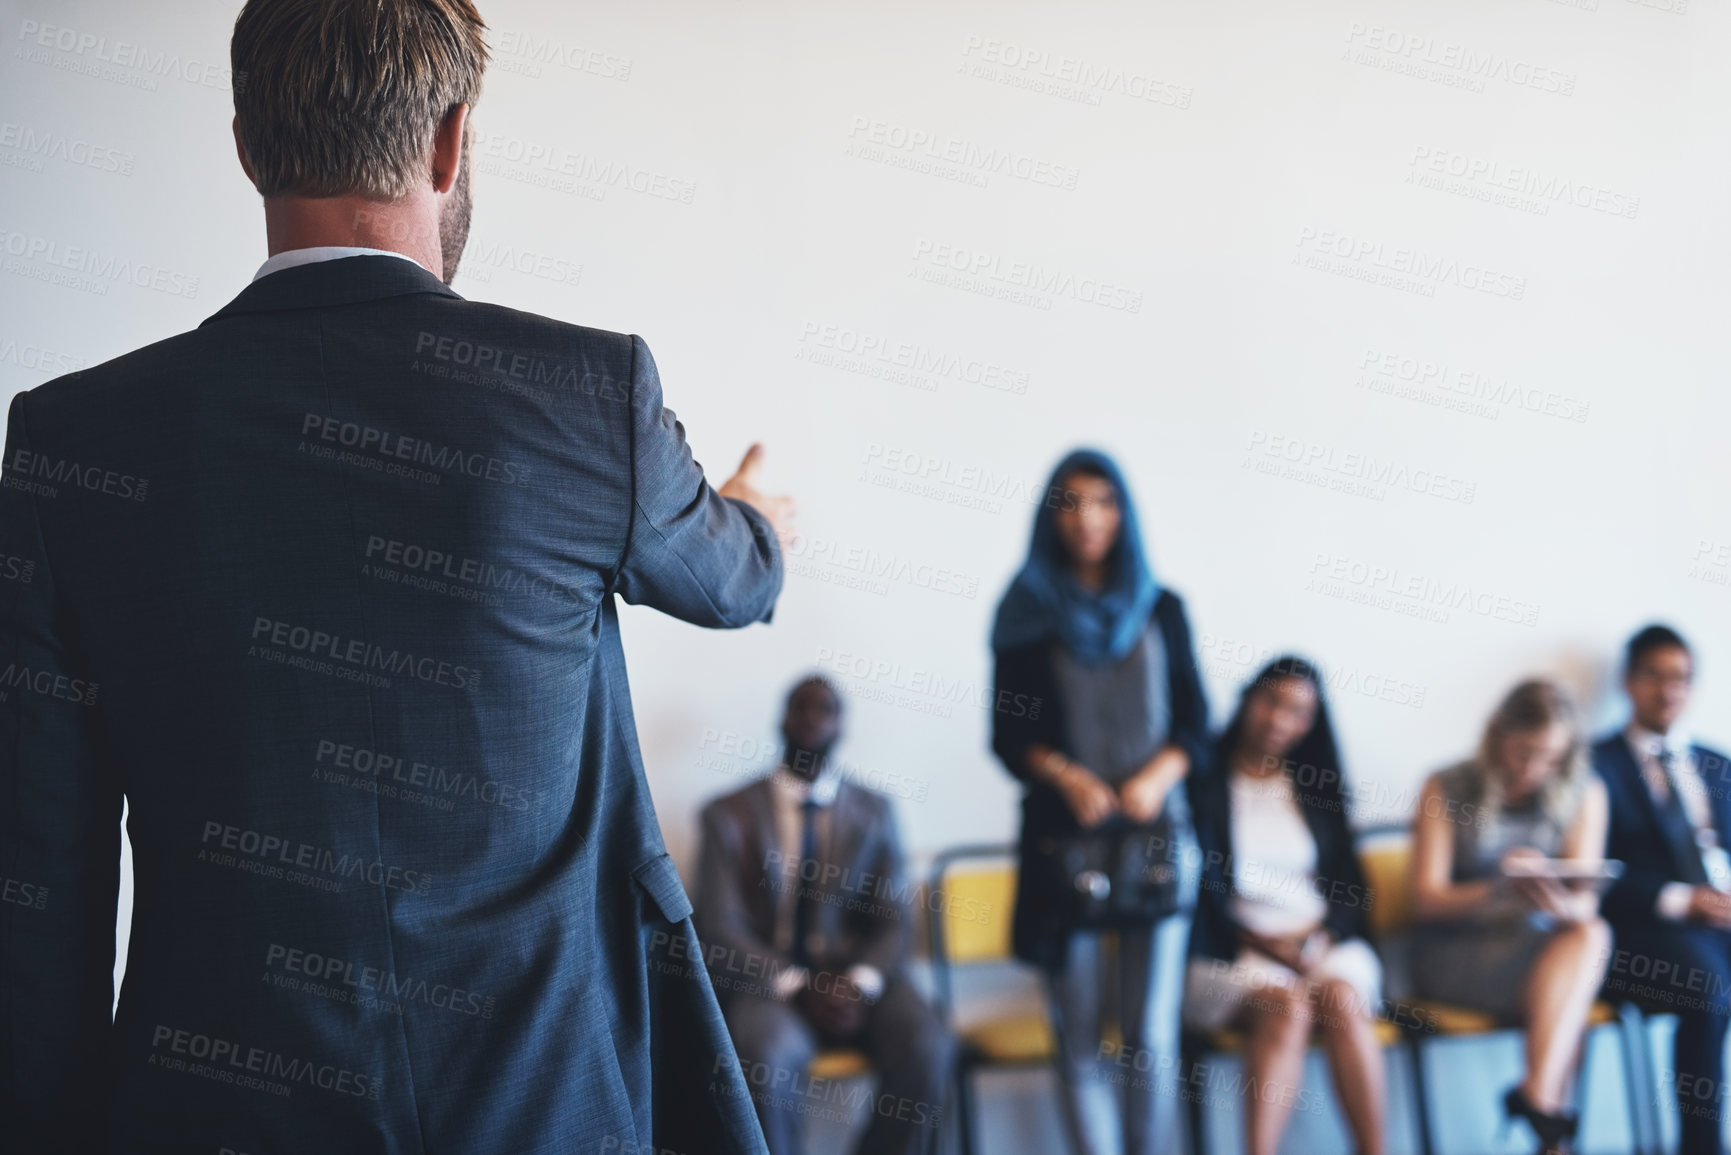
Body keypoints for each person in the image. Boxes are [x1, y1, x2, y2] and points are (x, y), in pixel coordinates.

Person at [0, 2, 795, 1152]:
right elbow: (736, 582)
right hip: (544, 1112)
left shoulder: (75, 440)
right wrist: (758, 513)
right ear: (450, 139)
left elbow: (39, 882)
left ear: (245, 145)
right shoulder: (587, 395)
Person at [989, 448, 1210, 1155]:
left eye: (1104, 501)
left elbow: (1195, 724)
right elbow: (1007, 731)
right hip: (1067, 842)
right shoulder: (1026, 610)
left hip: (1156, 837)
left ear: (1125, 513)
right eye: (1071, 502)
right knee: (1079, 1036)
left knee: (1149, 1033)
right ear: (1050, 515)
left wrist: (1156, 777)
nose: (1088, 518)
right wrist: (1066, 774)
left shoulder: (1161, 606)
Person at [694, 676, 955, 1155]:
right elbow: (719, 924)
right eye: (802, 708)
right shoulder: (726, 815)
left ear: (841, 727)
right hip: (770, 984)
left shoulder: (874, 811)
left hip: (860, 980)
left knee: (928, 1044)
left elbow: (895, 917)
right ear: (782, 720)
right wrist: (797, 983)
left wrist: (859, 980)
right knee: (764, 1057)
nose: (813, 719)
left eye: (826, 710)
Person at [1184, 656, 1386, 1155]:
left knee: (1342, 1000)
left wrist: (1321, 937)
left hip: (1317, 940)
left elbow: (1350, 887)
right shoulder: (1201, 781)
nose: (1279, 719)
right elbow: (1198, 893)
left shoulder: (1317, 786)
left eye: (1297, 710)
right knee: (1287, 1007)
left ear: (1311, 722)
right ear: (1248, 699)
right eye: (1271, 701)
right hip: (1228, 947)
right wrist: (1262, 941)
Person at [1408, 679, 1610, 1155]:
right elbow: (1425, 901)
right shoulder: (1446, 785)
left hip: (1540, 947)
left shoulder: (1583, 790)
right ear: (1498, 734)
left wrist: (1555, 901)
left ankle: (1538, 1100)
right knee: (1569, 994)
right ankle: (1547, 1125)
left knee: (1589, 933)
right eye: (1525, 751)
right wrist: (1499, 887)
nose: (1535, 768)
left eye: (1551, 757)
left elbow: (1585, 904)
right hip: (1456, 951)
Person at [1594, 625, 1731, 1155]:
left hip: (1720, 922)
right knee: (1708, 989)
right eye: (1655, 675)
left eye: (1682, 678)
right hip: (1644, 930)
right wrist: (1681, 899)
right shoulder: (1596, 765)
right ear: (1628, 681)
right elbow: (1592, 871)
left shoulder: (1717, 765)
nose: (1669, 690)